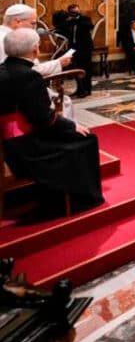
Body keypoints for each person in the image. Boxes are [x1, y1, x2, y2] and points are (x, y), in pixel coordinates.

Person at [0, 28, 104, 215]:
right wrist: (72, 126)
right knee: (87, 139)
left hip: (10, 141)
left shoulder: (4, 70)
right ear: (35, 50)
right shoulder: (28, 76)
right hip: (26, 146)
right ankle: (81, 200)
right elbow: (44, 120)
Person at [1, 4, 75, 119]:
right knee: (64, 102)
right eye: (33, 23)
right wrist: (58, 63)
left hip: (13, 91)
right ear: (17, 22)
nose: (34, 28)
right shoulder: (8, 39)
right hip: (14, 96)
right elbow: (25, 71)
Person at [60, 3, 94, 98]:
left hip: (85, 49)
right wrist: (68, 20)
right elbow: (62, 28)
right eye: (72, 12)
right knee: (76, 70)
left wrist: (76, 19)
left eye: (75, 11)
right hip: (74, 49)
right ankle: (80, 89)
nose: (74, 13)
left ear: (79, 10)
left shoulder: (85, 19)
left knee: (85, 70)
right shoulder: (69, 21)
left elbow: (90, 26)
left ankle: (87, 90)